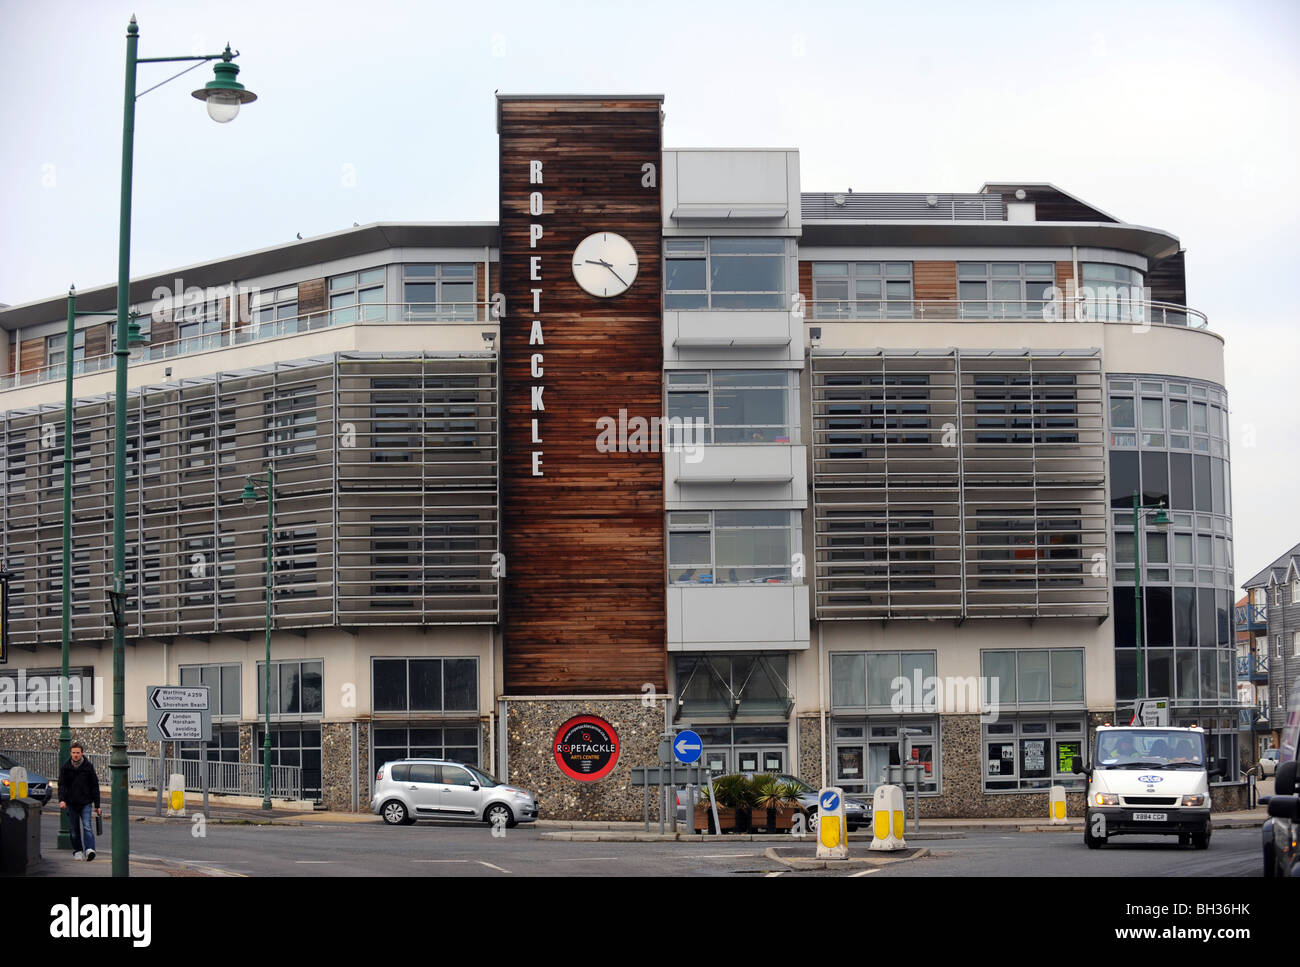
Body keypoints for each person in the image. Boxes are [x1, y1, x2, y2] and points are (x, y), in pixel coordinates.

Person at [58, 742, 101, 861]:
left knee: (87, 826)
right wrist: (62, 800)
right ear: (70, 753)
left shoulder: (88, 767)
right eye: (73, 753)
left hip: (86, 802)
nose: (75, 755)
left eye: (78, 753)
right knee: (73, 829)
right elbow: (62, 785)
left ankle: (90, 849)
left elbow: (94, 786)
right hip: (71, 803)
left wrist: (97, 805)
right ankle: (78, 850)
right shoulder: (66, 768)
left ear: (82, 753)